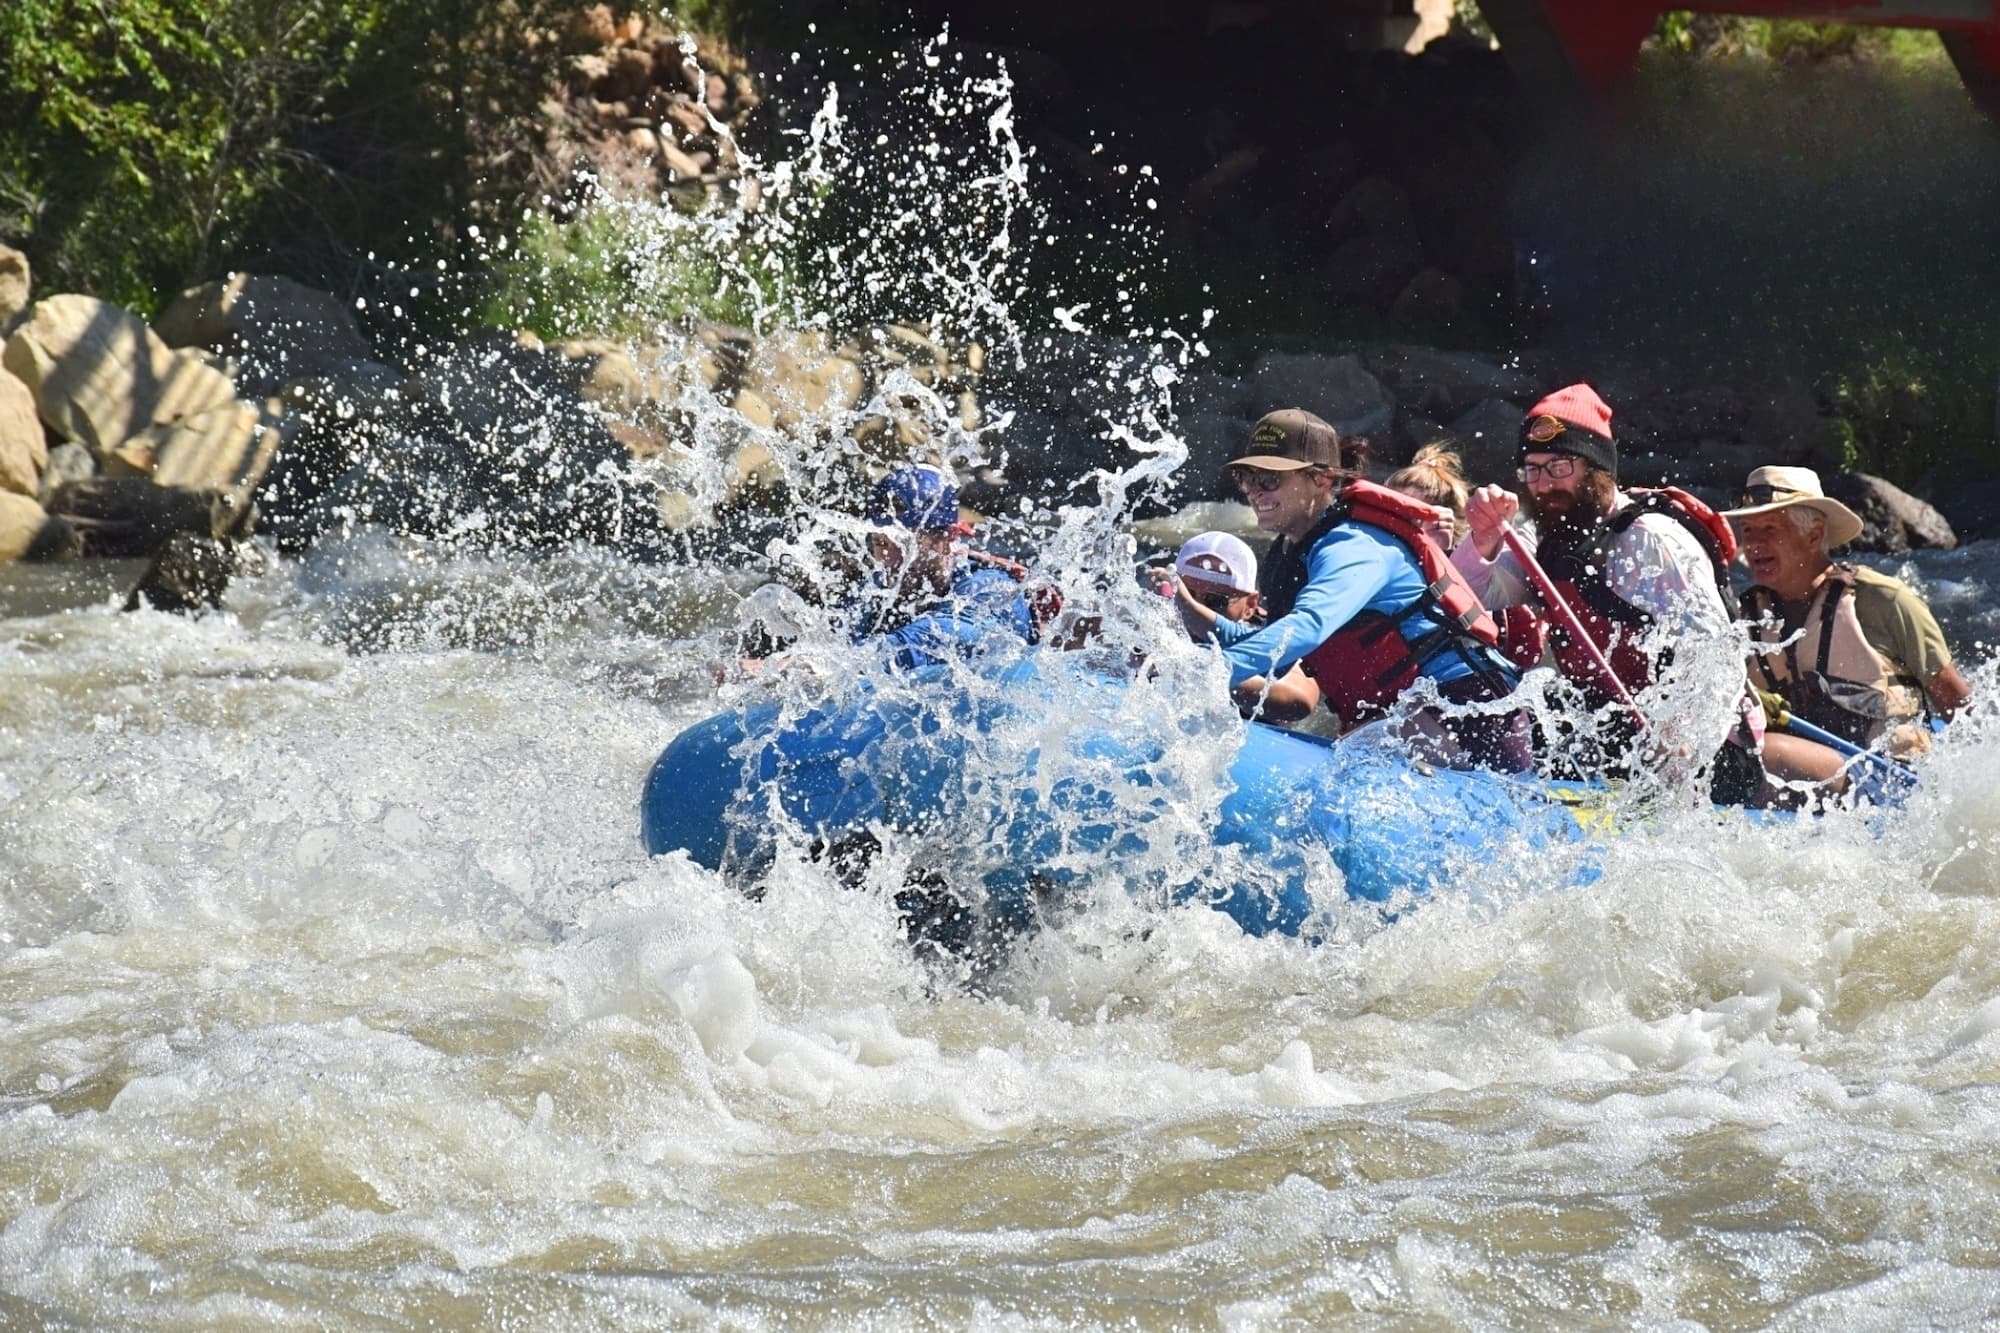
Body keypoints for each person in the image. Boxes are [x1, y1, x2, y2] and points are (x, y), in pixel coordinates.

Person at [1176, 409, 1527, 770]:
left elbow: (1308, 625)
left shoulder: (1355, 546)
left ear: (1321, 480)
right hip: (1410, 719)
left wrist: (1203, 676)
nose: (1253, 491)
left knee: (1362, 746)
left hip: (1474, 718)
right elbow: (1271, 642)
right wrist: (1184, 619)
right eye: (1245, 477)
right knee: (1362, 740)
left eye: (1268, 478)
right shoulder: (1294, 552)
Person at [1454, 384, 1753, 792]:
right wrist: (1483, 538)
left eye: (1560, 466)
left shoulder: (1652, 540)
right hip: (1609, 723)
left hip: (1707, 746)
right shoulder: (1544, 534)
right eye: (1533, 468)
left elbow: (1716, 657)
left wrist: (1679, 745)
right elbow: (1471, 596)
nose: (1543, 484)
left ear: (1597, 471)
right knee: (1524, 707)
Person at [1722, 465, 1971, 785]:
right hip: (1796, 776)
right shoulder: (1741, 616)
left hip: (1885, 779)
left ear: (1813, 535)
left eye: (1770, 529)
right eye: (1748, 531)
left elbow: (1960, 708)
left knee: (1762, 752)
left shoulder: (1884, 600)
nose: (1754, 544)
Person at [849, 463, 1047, 671]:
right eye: (880, 543)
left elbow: (944, 636)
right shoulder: (876, 592)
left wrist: (843, 667)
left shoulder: (992, 589)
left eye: (902, 543)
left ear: (947, 536)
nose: (888, 559)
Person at [1385, 443, 1470, 552]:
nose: (1398, 524)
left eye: (1415, 516)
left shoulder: (1458, 562)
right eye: (1394, 511)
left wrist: (1436, 549)